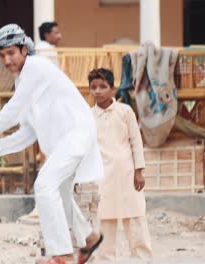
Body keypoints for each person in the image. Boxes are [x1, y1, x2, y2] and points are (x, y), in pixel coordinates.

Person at [0, 23, 104, 264]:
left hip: (76, 134)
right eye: (2, 56)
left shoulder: (35, 67)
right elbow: (28, 132)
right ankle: (89, 237)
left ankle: (62, 254)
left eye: (11, 53)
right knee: (60, 190)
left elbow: (12, 110)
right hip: (69, 139)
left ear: (25, 49)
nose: (6, 60)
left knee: (44, 186)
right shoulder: (25, 80)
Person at [89, 68, 153, 261]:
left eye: (103, 86)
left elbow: (136, 141)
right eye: (93, 87)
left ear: (112, 88)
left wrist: (139, 171)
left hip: (127, 174)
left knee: (135, 219)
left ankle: (143, 259)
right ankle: (105, 259)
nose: (98, 91)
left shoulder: (125, 111)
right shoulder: (88, 116)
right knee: (104, 220)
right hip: (102, 177)